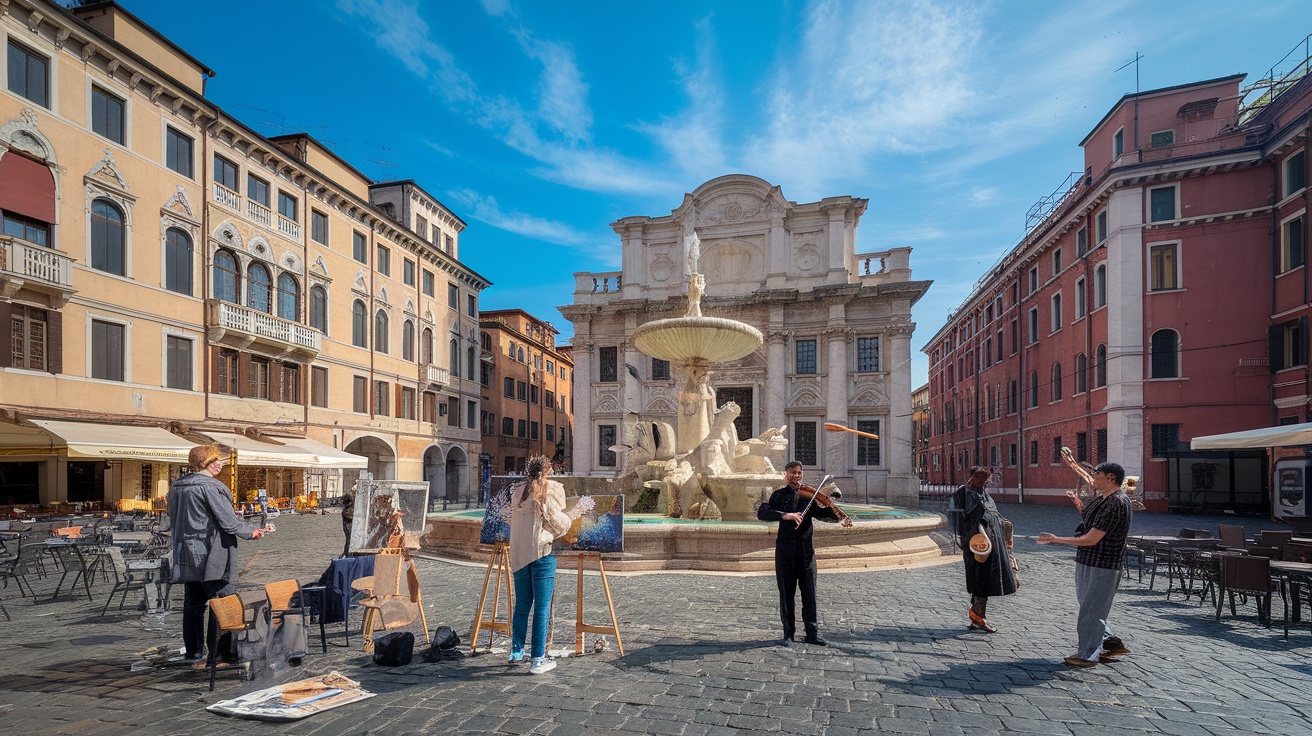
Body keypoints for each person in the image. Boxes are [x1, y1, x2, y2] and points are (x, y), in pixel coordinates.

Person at [165, 445, 272, 665]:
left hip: (187, 554)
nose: (220, 464)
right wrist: (251, 532)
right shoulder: (211, 487)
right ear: (204, 463)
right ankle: (221, 654)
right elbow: (228, 520)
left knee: (193, 606)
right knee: (224, 604)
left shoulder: (177, 487)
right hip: (212, 553)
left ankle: (194, 652)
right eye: (216, 460)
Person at [1037, 461, 1133, 668]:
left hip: (1103, 564)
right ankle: (1109, 643)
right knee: (1089, 607)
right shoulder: (1104, 500)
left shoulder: (1117, 502)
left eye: (1098, 475)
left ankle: (1088, 655)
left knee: (1092, 610)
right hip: (1089, 561)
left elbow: (1092, 538)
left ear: (1111, 477)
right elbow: (1093, 522)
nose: (1093, 478)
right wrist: (1079, 504)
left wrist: (1055, 539)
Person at [508, 455, 593, 674]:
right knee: (542, 607)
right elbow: (559, 524)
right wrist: (578, 511)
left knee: (522, 605)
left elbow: (510, 518)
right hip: (542, 552)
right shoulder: (551, 489)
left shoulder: (518, 492)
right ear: (548, 471)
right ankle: (538, 658)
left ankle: (516, 651)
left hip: (519, 554)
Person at [757, 461, 852, 647]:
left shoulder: (809, 496)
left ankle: (812, 633)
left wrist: (833, 507)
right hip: (785, 551)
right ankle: (788, 634)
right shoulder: (779, 495)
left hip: (806, 552)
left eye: (799, 473)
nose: (797, 476)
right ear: (786, 474)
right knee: (787, 595)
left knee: (809, 594)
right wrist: (785, 515)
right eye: (793, 472)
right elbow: (762, 512)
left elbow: (827, 516)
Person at [950, 467, 1016, 633]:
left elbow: (994, 514)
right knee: (979, 578)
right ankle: (978, 617)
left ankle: (977, 615)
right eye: (978, 476)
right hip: (976, 542)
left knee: (986, 577)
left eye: (985, 476)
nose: (982, 479)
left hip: (992, 540)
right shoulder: (963, 494)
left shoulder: (985, 495)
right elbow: (956, 518)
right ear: (971, 476)